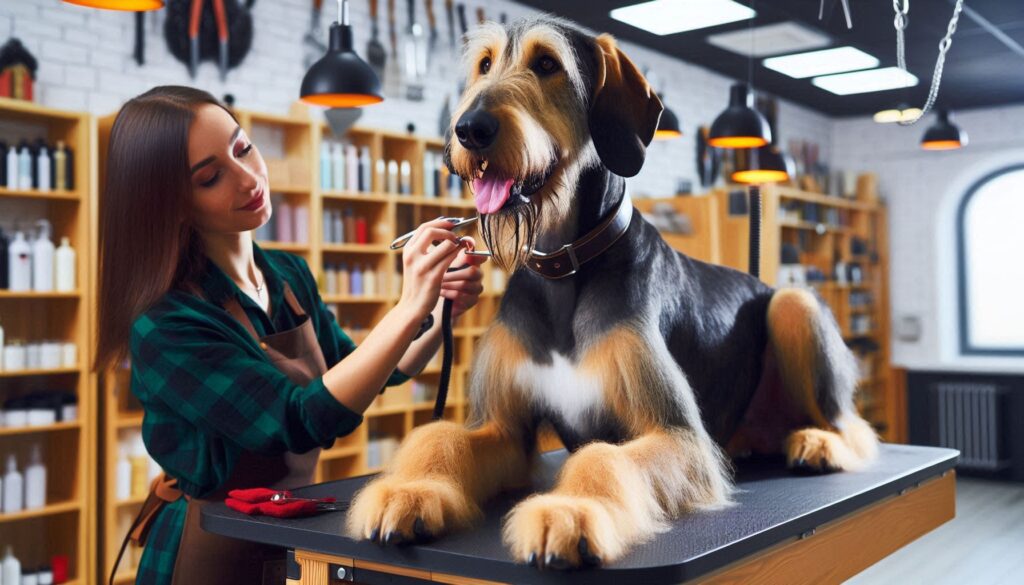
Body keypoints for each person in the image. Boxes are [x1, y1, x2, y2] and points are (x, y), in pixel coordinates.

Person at [93, 86, 485, 585]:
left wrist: (436, 314)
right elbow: (299, 419)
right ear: (173, 204)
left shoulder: (286, 275)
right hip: (208, 548)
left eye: (243, 148)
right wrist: (408, 307)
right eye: (211, 177)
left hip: (291, 531)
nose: (248, 178)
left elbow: (367, 370)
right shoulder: (166, 323)